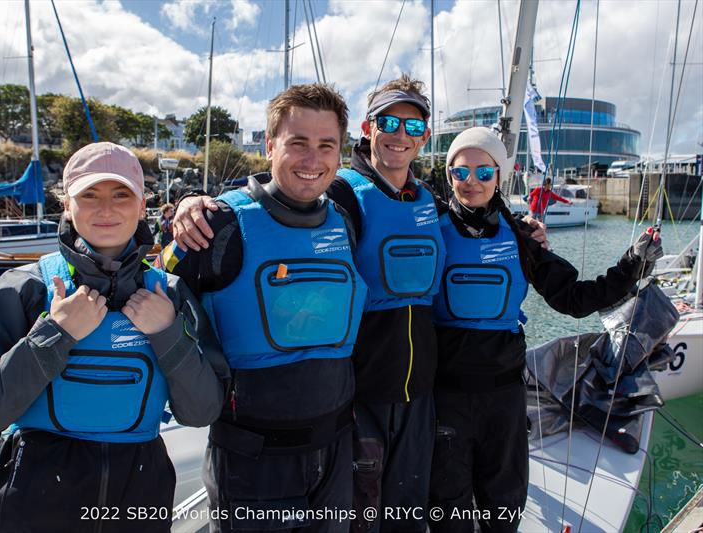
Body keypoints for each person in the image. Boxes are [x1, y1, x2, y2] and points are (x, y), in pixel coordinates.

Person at [171, 75, 549, 533]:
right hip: (358, 396)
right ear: (369, 129)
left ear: (425, 137)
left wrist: (523, 229)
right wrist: (193, 203)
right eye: (389, 121)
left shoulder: (430, 200)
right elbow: (285, 198)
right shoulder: (341, 194)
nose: (400, 134)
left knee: (407, 516)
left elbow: (478, 216)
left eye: (413, 127)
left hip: (419, 395)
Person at [0, 142, 229, 533]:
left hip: (138, 503)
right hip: (33, 506)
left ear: (142, 203)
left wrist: (167, 334)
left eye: (121, 195)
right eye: (89, 195)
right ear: (66, 205)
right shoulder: (23, 288)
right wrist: (54, 335)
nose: (106, 209)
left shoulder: (172, 294)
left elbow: (202, 413)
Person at [428, 127, 663, 533]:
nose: (471, 182)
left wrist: (631, 265)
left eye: (484, 172)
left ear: (500, 176)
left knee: (503, 505)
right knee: (449, 511)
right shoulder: (429, 227)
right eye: (460, 172)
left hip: (502, 400)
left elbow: (573, 298)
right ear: (448, 175)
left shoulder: (521, 238)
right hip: (445, 399)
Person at [158, 83, 366, 532]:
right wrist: (182, 210)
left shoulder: (345, 220)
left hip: (334, 455)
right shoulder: (219, 223)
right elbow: (151, 284)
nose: (313, 160)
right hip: (252, 464)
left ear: (340, 152)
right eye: (298, 144)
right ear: (270, 146)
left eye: (326, 146)